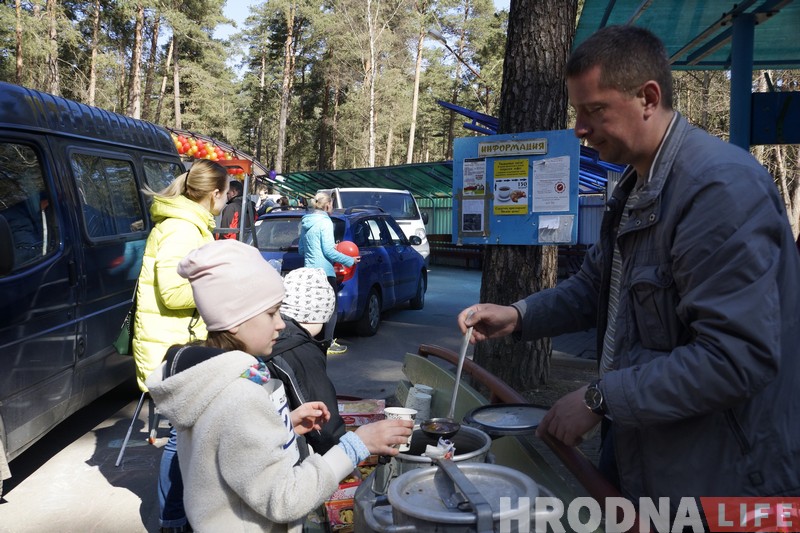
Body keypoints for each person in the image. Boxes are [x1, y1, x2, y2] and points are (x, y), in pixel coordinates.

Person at [458, 25, 800, 508]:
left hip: (721, 479)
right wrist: (517, 315)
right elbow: (597, 287)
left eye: (594, 110)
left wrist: (601, 399)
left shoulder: (718, 191)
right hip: (651, 453)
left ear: (648, 98)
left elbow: (736, 356)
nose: (579, 127)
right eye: (577, 111)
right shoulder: (636, 188)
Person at [145, 239, 412, 532]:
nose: (282, 324)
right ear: (236, 320)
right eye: (271, 313)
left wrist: (284, 425)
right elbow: (285, 498)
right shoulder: (240, 395)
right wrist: (357, 445)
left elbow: (228, 448)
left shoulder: (210, 380)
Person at [133, 159, 230, 533]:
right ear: (215, 194)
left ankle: (181, 514)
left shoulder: (191, 225)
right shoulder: (181, 229)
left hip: (184, 343)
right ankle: (173, 519)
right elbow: (173, 293)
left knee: (188, 436)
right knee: (180, 438)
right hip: (174, 348)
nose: (227, 200)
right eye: (226, 193)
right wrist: (222, 281)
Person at [269, 267, 345, 454]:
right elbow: (322, 421)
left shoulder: (273, 338)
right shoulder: (299, 349)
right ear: (321, 313)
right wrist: (345, 454)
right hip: (292, 454)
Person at [299, 192, 359, 355]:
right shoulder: (326, 222)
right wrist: (349, 260)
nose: (333, 207)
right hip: (325, 271)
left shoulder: (306, 222)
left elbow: (301, 249)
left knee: (314, 308)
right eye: (332, 204)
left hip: (309, 270)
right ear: (327, 206)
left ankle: (312, 341)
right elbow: (328, 252)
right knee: (331, 308)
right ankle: (328, 343)